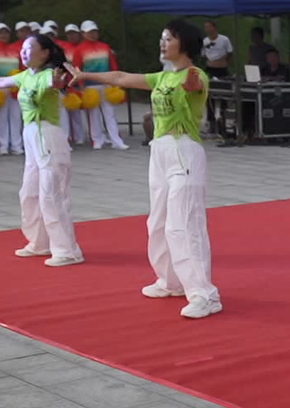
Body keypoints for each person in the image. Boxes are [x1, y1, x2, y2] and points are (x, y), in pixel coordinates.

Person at [68, 20, 222, 319]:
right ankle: (170, 281)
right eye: (162, 38)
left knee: (184, 224)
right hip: (160, 152)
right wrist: (86, 74)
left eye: (169, 39)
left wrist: (194, 86)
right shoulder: (162, 77)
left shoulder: (195, 74)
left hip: (183, 152)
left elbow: (198, 85)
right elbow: (121, 76)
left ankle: (204, 294)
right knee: (158, 223)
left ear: (185, 45)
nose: (162, 43)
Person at [0, 35, 84, 266]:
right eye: (22, 48)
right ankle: (39, 243)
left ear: (45, 53)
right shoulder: (24, 76)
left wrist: (59, 81)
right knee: (29, 193)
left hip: (47, 134)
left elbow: (56, 82)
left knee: (52, 194)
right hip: (31, 136)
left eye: (29, 48)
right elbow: (1, 82)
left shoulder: (49, 74)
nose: (23, 52)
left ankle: (67, 250)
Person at [73, 21, 131, 150]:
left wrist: (115, 81)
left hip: (106, 84)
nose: (93, 34)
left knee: (110, 113)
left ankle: (116, 140)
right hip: (89, 86)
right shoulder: (79, 50)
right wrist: (81, 84)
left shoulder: (105, 47)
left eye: (95, 31)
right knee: (93, 115)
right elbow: (77, 68)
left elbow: (113, 64)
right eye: (90, 32)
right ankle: (97, 140)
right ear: (83, 34)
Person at [0, 24, 24, 155]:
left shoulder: (15, 50)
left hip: (14, 87)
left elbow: (22, 69)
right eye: (0, 33)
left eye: (6, 32)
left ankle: (16, 145)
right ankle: (3, 145)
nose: (4, 35)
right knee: (1, 117)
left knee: (16, 117)